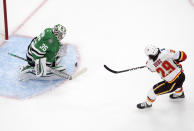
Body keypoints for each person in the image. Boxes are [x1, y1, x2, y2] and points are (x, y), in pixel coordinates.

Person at [137, 45, 187, 109]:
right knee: (178, 84)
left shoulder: (150, 64)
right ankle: (180, 94)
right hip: (181, 76)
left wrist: (151, 64)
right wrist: (176, 60)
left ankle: (148, 103)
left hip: (171, 84)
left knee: (152, 92)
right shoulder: (166, 51)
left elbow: (151, 69)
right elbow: (183, 56)